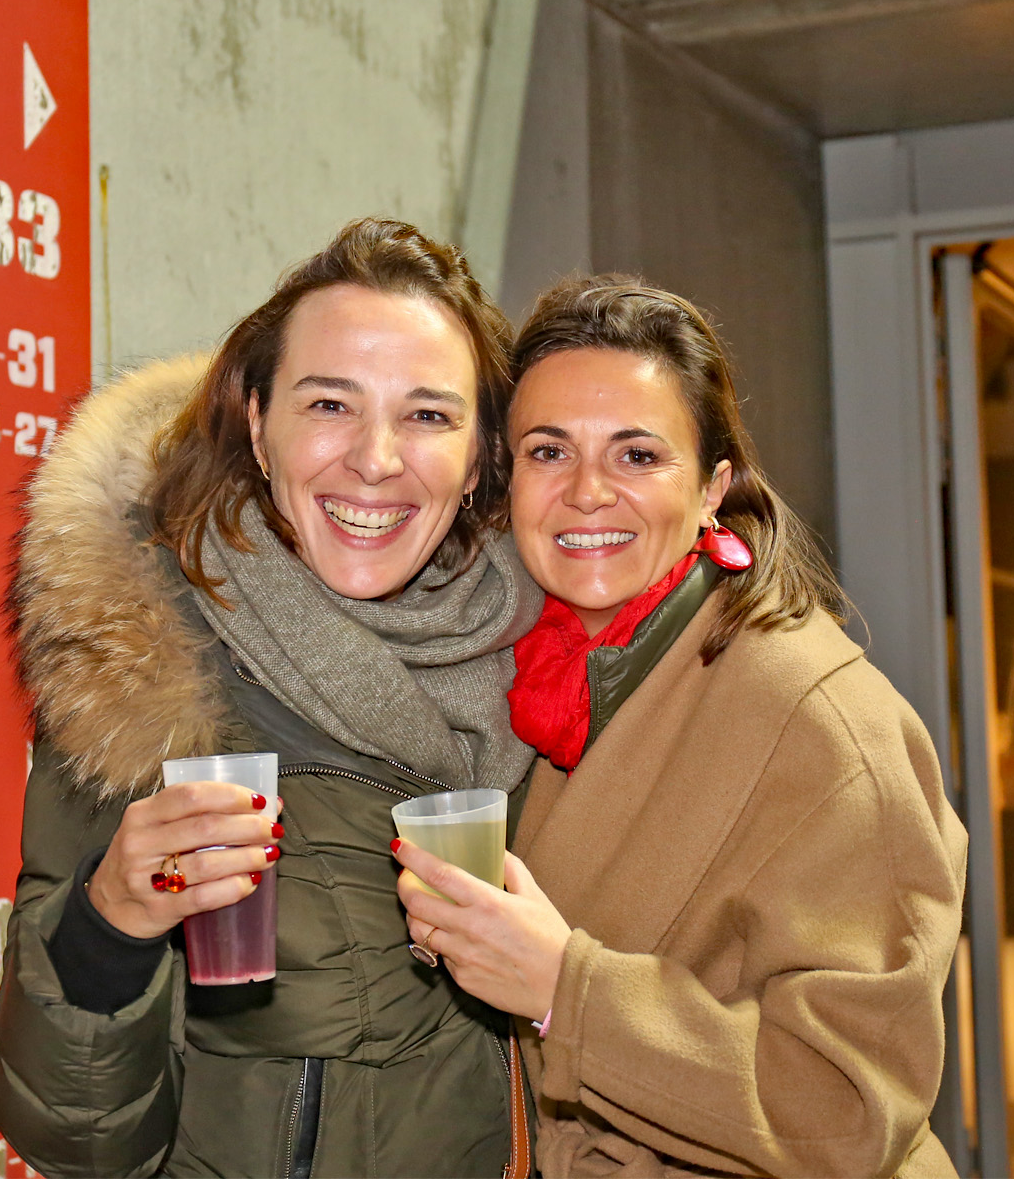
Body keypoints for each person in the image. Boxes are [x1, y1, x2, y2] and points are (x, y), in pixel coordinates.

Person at [0, 218, 547, 1178]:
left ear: (481, 455)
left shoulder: (553, 653)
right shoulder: (152, 670)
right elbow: (77, 1144)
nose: (375, 459)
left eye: (427, 415)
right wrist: (109, 923)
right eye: (330, 403)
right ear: (258, 423)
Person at [393, 277, 969, 1177]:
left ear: (712, 489)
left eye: (637, 455)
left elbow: (850, 1109)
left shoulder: (825, 726)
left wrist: (567, 993)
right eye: (549, 451)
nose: (587, 492)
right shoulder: (515, 683)